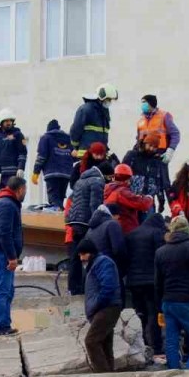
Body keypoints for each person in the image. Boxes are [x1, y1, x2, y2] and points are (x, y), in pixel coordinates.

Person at [155, 216, 189, 370]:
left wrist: (159, 309)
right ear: (187, 229)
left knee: (171, 343)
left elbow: (158, 283)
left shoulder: (160, 251)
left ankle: (173, 373)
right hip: (188, 301)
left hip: (168, 303)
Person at [0, 176, 26, 336]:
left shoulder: (7, 203)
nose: (25, 193)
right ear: (20, 189)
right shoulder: (7, 205)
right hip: (1, 254)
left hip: (2, 253)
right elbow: (4, 233)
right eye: (25, 190)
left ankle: (4, 324)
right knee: (2, 291)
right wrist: (11, 257)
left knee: (7, 291)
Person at [125, 212, 166, 357]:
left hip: (134, 282)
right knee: (153, 314)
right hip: (151, 281)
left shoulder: (131, 234)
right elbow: (161, 256)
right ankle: (157, 347)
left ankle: (142, 345)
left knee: (140, 314)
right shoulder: (157, 233)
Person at [78, 239, 123, 372]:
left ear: (90, 253)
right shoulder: (95, 264)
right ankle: (110, 374)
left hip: (107, 307)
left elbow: (108, 287)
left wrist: (96, 304)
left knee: (91, 341)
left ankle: (103, 375)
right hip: (104, 307)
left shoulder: (103, 262)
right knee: (105, 344)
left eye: (83, 254)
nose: (81, 258)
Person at [65, 163, 106, 295]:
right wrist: (97, 221)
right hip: (86, 223)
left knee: (76, 256)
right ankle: (86, 288)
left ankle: (73, 288)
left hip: (75, 223)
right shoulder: (97, 181)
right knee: (90, 255)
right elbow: (95, 204)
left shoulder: (80, 181)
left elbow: (72, 207)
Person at [32, 119, 74, 209]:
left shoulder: (46, 138)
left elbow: (41, 156)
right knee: (60, 198)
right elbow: (74, 156)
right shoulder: (68, 139)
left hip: (52, 173)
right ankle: (60, 216)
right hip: (66, 174)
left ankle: (55, 214)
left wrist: (36, 172)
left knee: (54, 200)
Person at [122, 137, 171, 213]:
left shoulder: (157, 161)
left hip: (148, 201)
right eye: (150, 145)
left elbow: (159, 182)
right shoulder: (132, 156)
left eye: (154, 147)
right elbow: (121, 175)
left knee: (148, 222)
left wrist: (161, 200)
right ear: (144, 144)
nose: (151, 149)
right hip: (131, 198)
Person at [70, 83, 118, 155]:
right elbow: (76, 130)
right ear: (101, 98)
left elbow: (103, 135)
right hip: (86, 154)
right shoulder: (86, 109)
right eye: (108, 99)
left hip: (100, 156)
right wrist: (76, 147)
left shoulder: (104, 112)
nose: (109, 102)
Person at [104, 164, 153, 234]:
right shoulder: (122, 192)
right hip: (126, 229)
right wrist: (149, 198)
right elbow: (143, 204)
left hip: (115, 228)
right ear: (128, 179)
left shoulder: (109, 190)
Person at [135, 94, 180, 164]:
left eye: (144, 102)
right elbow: (138, 138)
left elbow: (175, 134)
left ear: (151, 103)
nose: (142, 105)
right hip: (144, 154)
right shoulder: (141, 120)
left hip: (160, 153)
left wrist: (170, 150)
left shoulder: (164, 116)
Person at [0, 109, 27, 190]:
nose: (9, 123)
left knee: (11, 196)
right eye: (6, 121)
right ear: (1, 122)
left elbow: (22, 153)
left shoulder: (18, 135)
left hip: (12, 174)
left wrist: (21, 168)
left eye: (10, 121)